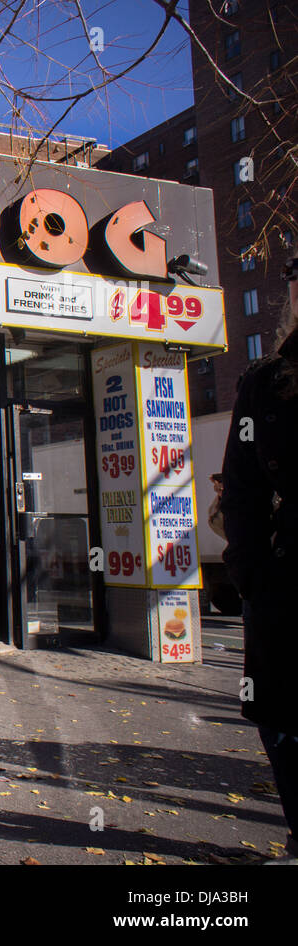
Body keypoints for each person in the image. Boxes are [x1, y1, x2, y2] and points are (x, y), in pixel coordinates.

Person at [220, 256, 298, 860]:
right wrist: (249, 572)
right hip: (283, 579)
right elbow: (241, 487)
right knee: (278, 717)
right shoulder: (265, 380)